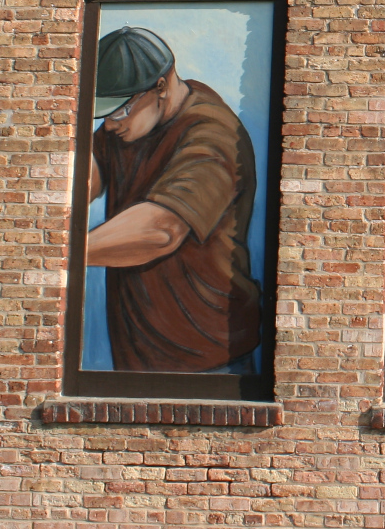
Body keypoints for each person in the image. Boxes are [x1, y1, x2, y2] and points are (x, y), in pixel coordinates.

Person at [87, 26, 261, 373]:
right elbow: (78, 182)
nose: (108, 124)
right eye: (103, 113)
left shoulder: (213, 135)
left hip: (211, 360)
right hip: (137, 357)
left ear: (161, 87)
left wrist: (55, 252)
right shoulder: (126, 125)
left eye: (118, 111)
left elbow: (160, 230)